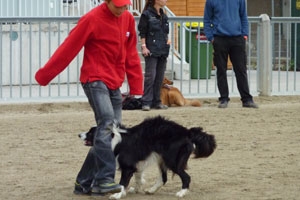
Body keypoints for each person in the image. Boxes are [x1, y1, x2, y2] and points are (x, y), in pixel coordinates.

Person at [35, 0, 143, 195]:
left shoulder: (127, 18)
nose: (123, 9)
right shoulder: (92, 19)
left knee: (111, 133)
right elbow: (68, 48)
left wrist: (136, 86)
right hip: (94, 79)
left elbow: (131, 53)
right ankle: (105, 179)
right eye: (118, 5)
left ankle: (83, 182)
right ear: (107, 2)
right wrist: (45, 75)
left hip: (115, 81)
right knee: (108, 124)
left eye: (126, 5)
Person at [203, 0, 258, 108]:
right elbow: (206, 19)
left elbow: (243, 16)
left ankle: (246, 99)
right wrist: (211, 37)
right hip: (219, 39)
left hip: (237, 39)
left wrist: (244, 35)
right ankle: (223, 99)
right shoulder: (211, 1)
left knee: (241, 70)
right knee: (221, 70)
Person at [138, 0, 170, 111]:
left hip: (162, 50)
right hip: (151, 49)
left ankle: (157, 101)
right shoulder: (146, 14)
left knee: (159, 77)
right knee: (150, 76)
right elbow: (142, 32)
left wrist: (167, 41)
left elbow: (165, 32)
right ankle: (146, 101)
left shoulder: (164, 16)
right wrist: (144, 46)